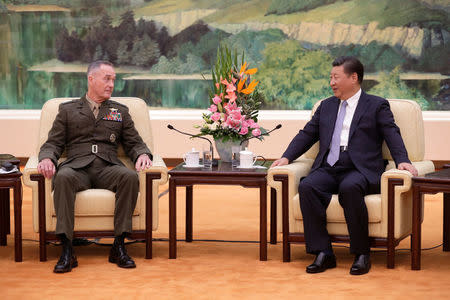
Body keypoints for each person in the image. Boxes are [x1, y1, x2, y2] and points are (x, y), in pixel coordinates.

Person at [271, 56, 418, 275]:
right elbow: (307, 134)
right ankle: (323, 253)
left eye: (336, 77)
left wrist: (403, 160)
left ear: (354, 78)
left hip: (360, 169)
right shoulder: (326, 106)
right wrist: (286, 157)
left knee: (350, 188)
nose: (331, 82)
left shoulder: (376, 105)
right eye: (330, 77)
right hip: (329, 167)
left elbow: (391, 133)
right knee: (308, 187)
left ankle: (361, 254)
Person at [37, 60, 153, 273]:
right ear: (91, 79)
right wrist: (47, 159)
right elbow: (53, 143)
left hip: (107, 168)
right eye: (106, 79)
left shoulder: (120, 111)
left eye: (113, 80)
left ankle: (118, 246)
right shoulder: (68, 110)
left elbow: (133, 142)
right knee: (62, 178)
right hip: (77, 168)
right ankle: (67, 249)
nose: (111, 84)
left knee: (129, 177)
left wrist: (143, 154)